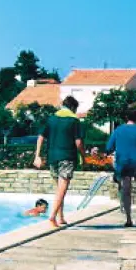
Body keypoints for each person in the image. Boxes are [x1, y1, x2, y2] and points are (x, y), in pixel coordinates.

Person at [34, 96, 87, 228]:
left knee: (59, 189)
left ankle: (61, 217)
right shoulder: (74, 121)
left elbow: (40, 137)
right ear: (73, 107)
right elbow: (79, 142)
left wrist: (37, 156)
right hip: (67, 157)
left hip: (52, 157)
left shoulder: (51, 119)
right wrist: (84, 157)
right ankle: (52, 217)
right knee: (62, 189)